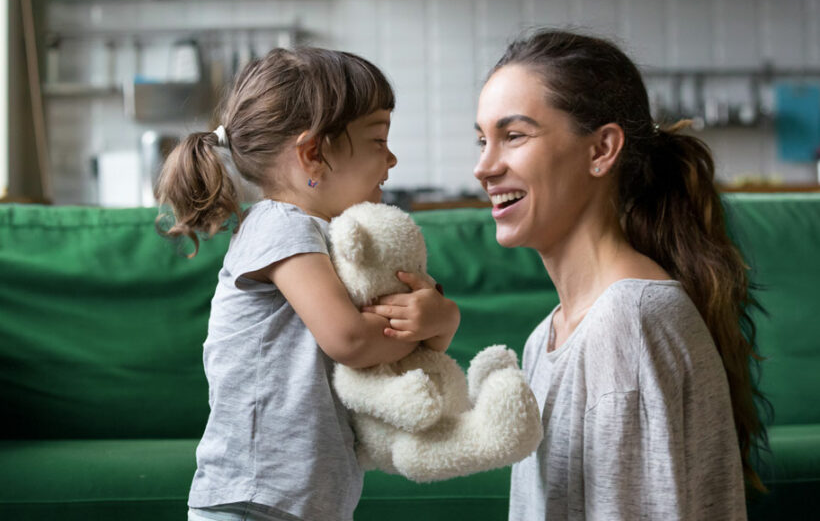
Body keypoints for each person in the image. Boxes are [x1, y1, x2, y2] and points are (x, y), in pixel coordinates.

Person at [471, 30, 768, 520]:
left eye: (514, 135)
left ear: (601, 150)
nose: (483, 166)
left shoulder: (626, 323)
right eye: (482, 139)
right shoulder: (546, 337)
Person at [156, 47, 460, 521]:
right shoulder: (280, 225)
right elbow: (352, 339)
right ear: (313, 153)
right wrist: (432, 321)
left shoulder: (334, 239)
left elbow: (407, 342)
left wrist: (439, 318)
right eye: (379, 139)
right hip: (252, 498)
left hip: (305, 499)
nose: (393, 158)